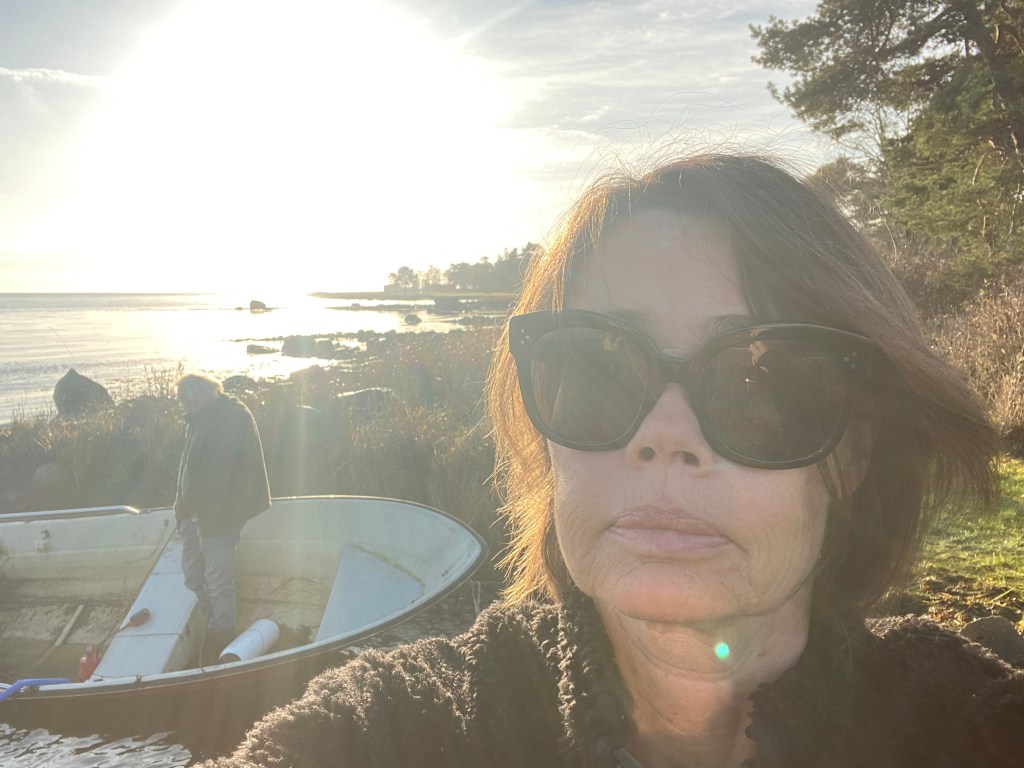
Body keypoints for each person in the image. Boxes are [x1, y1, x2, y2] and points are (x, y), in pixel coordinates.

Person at [202, 155, 1024, 768]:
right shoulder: (410, 724)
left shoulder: (964, 724)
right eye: (597, 368)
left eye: (761, 381)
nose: (664, 434)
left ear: (852, 454)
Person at [174, 373, 271, 663]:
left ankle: (222, 634)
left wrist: (186, 504)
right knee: (193, 575)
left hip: (223, 510)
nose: (186, 405)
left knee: (218, 580)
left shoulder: (232, 415)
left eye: (189, 399)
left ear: (205, 393)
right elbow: (188, 468)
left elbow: (215, 471)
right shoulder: (197, 418)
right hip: (195, 511)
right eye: (182, 400)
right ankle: (214, 620)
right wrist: (180, 506)